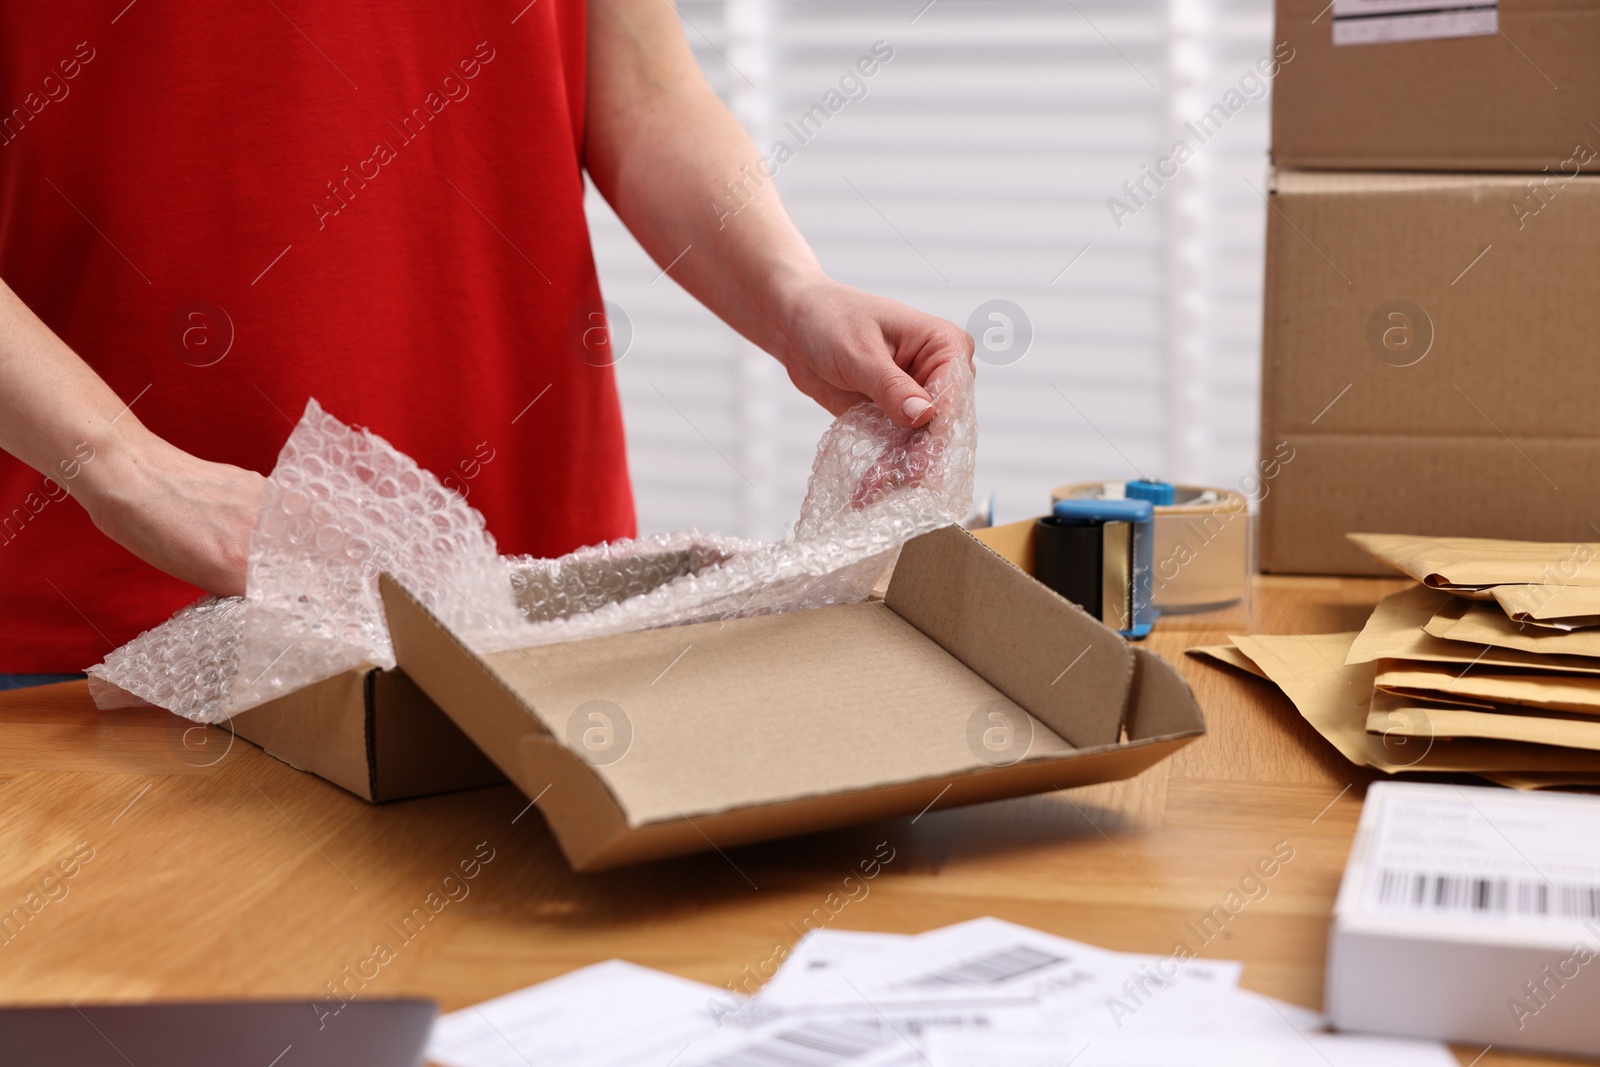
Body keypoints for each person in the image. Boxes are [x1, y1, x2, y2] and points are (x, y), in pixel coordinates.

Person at [0, 0, 972, 691]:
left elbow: (635, 84)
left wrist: (792, 294)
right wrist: (128, 470)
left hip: (531, 605)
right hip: (114, 632)